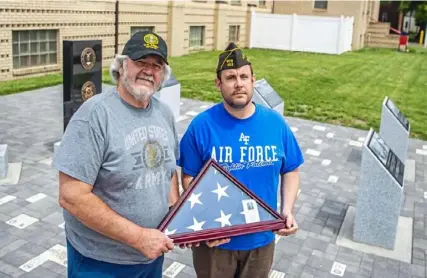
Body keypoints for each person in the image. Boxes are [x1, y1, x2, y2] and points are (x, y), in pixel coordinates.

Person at [52, 31, 180, 278]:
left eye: (156, 65)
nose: (148, 70)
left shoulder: (164, 113)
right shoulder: (94, 116)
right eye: (140, 62)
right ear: (121, 66)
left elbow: (169, 169)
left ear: (163, 75)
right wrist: (139, 237)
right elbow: (71, 196)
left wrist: (177, 215)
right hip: (100, 262)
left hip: (150, 256)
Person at [177, 42, 304, 278]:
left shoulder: (275, 124)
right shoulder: (202, 126)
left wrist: (287, 210)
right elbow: (189, 175)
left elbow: (291, 169)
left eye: (244, 76)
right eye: (231, 77)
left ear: (253, 81)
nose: (239, 83)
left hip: (262, 238)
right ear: (218, 83)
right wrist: (206, 220)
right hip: (216, 241)